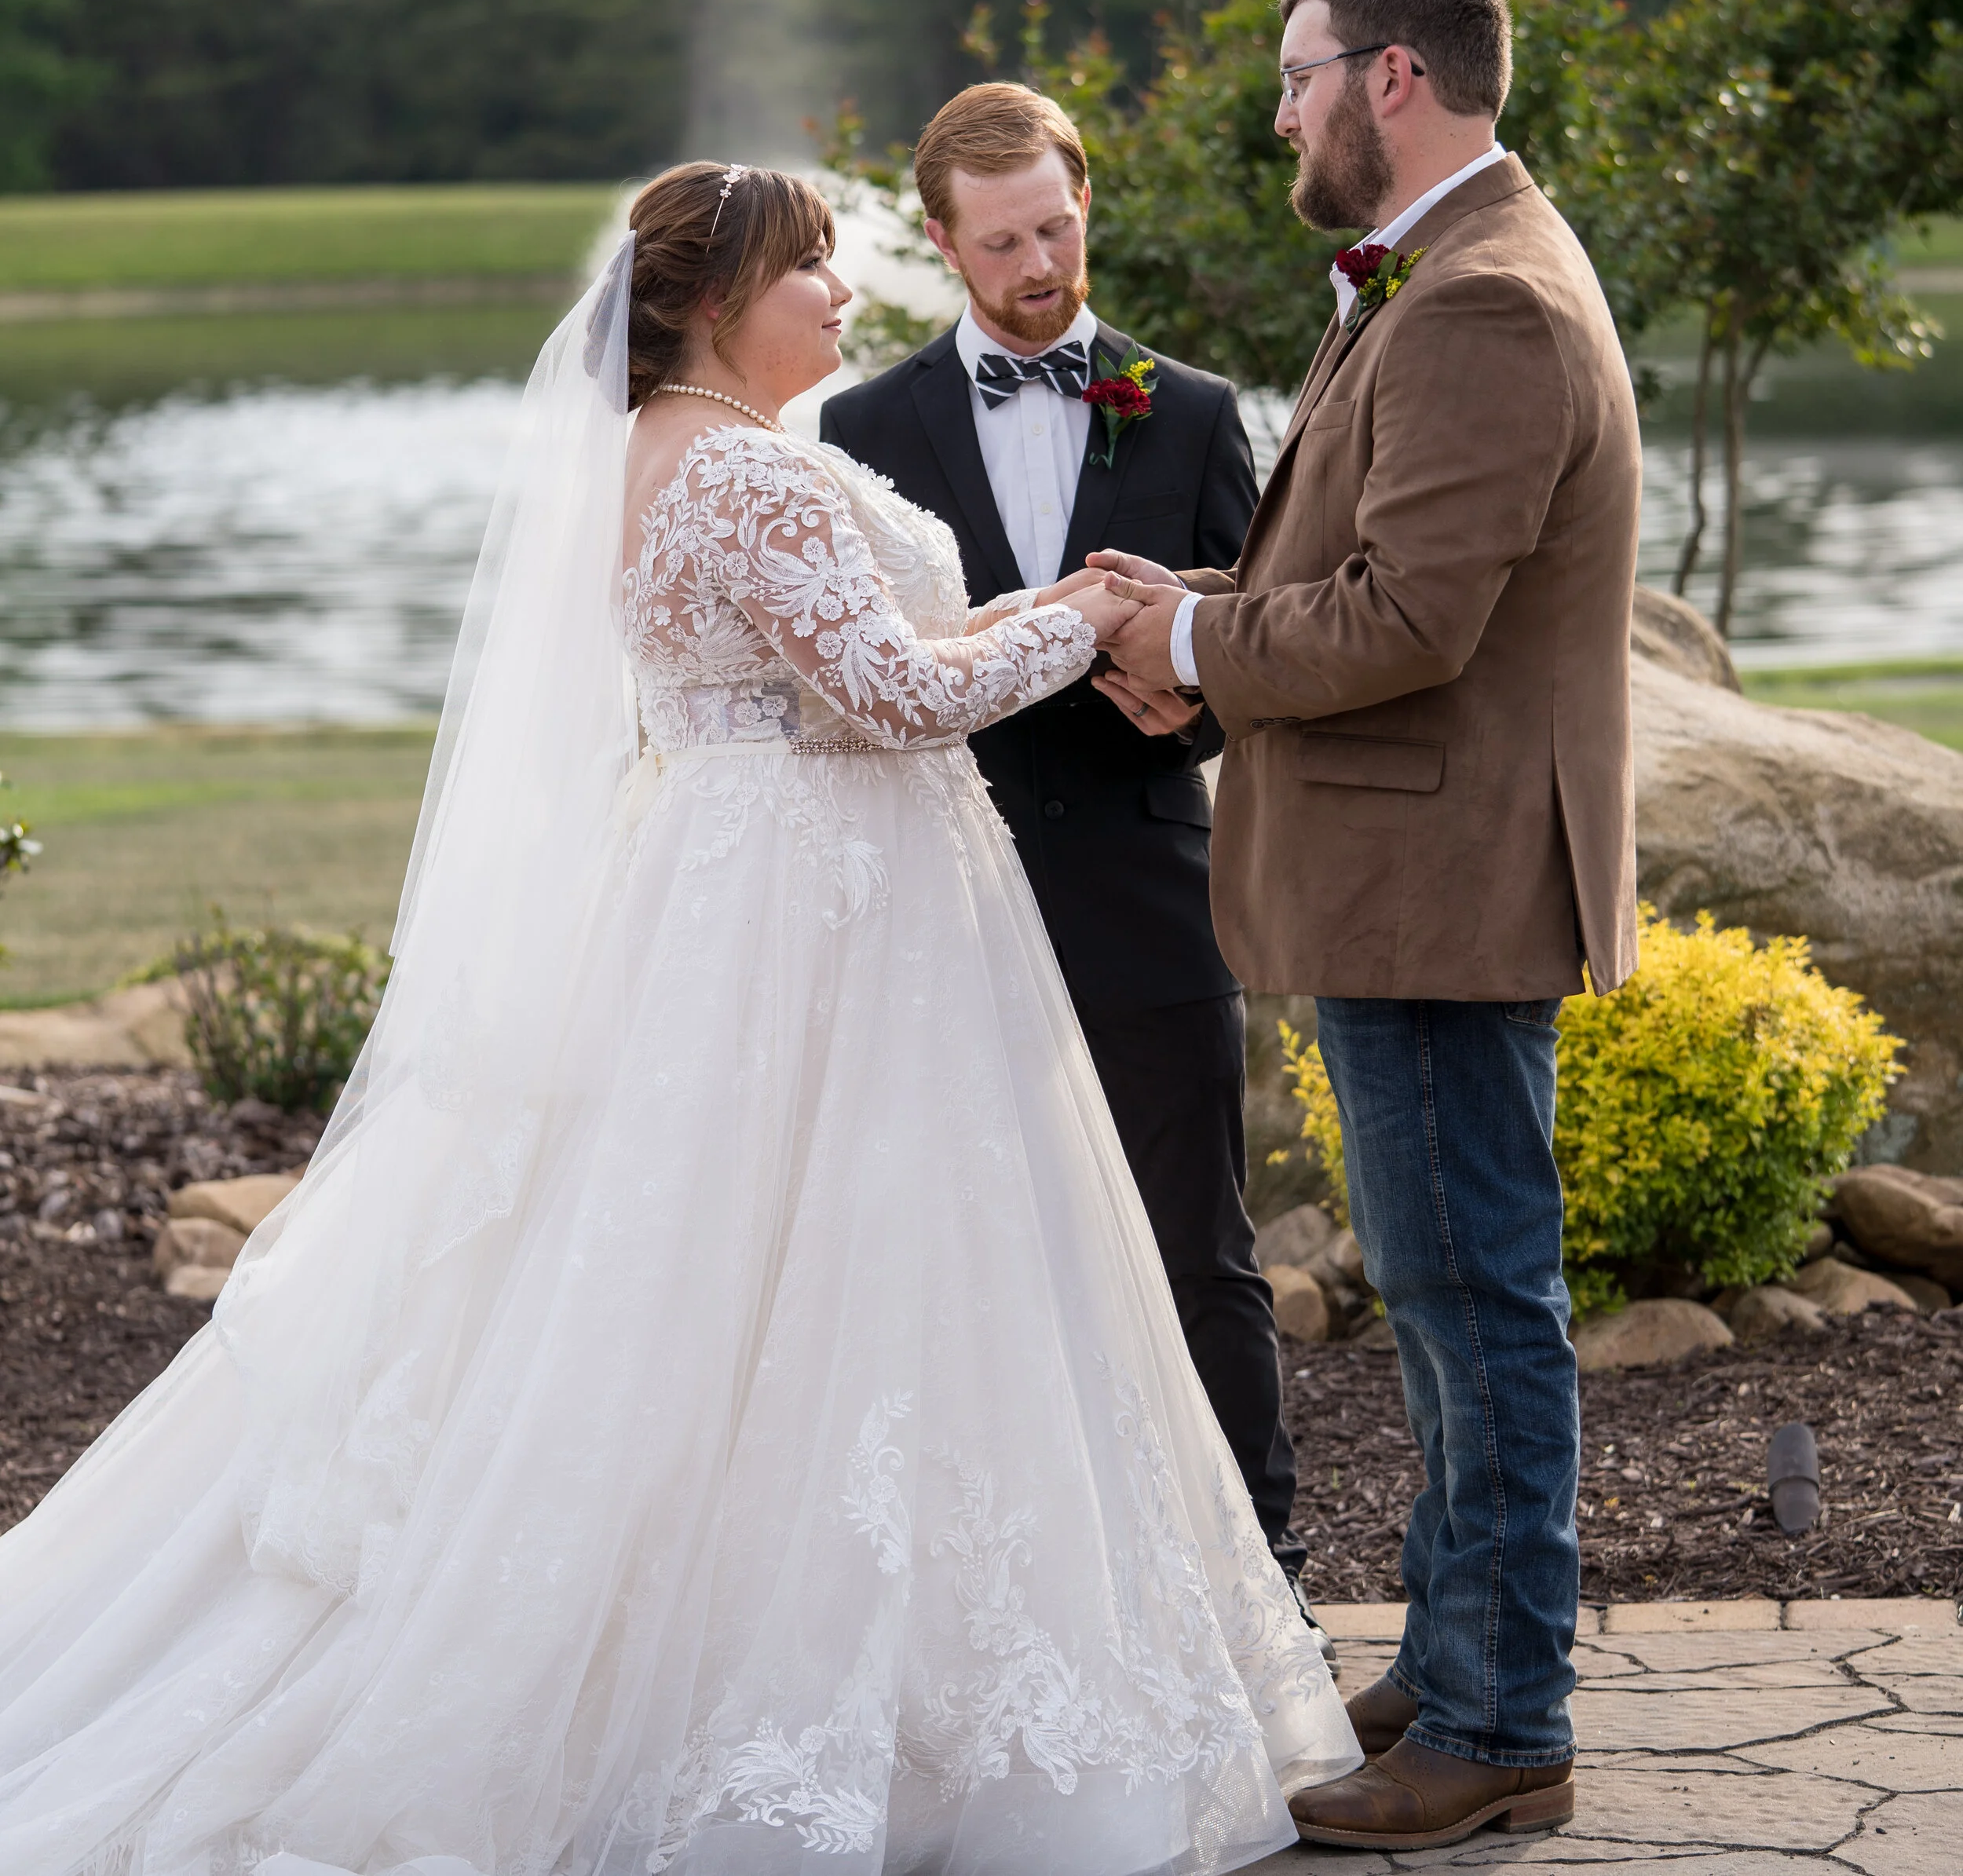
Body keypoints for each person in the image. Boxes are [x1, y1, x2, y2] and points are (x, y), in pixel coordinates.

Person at [0, 161, 1358, 1874]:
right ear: (719, 302)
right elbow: (885, 695)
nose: (843, 297)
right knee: (838, 1276)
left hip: (746, 888)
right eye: (813, 272)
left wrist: (1024, 614)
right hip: (820, 912)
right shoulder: (739, 470)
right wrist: (1085, 619)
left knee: (731, 1282)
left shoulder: (685, 456)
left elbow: (868, 652)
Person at [1098, 0, 1643, 1853]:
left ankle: (1500, 1714)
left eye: (1295, 72)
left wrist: (1191, 628)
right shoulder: (1440, 272)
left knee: (1470, 1292)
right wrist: (1211, 626)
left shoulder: (1481, 301)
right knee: (1438, 1290)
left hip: (1440, 875)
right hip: (1422, 864)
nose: (1281, 108)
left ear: (1390, 78)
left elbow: (1411, 616)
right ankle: (1457, 1645)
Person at [820, 86, 1321, 1641]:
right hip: (933, 897)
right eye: (1003, 240)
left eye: (1057, 225)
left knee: (1196, 1248)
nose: (1039, 261)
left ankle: (1260, 1590)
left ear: (1083, 202)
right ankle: (990, 1617)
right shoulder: (859, 430)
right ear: (942, 240)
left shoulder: (1187, 408)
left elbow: (1255, 655)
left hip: (1145, 886)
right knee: (948, 1246)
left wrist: (1179, 697)